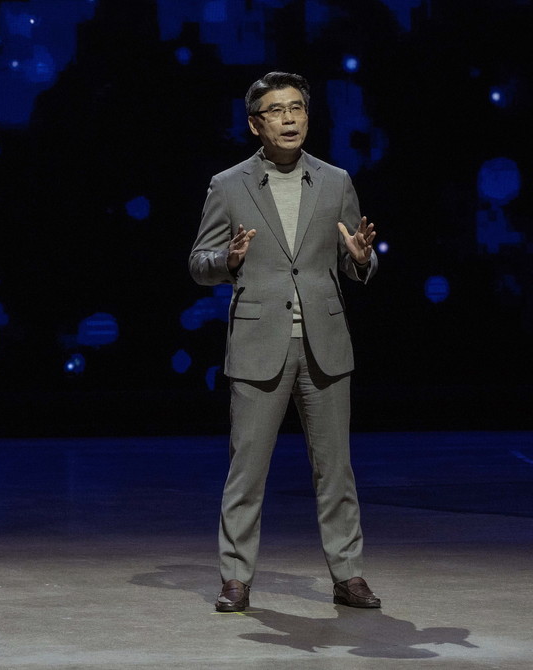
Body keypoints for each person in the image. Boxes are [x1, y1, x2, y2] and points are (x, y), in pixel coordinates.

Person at [189, 71, 380, 612]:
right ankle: (235, 578)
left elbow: (355, 255)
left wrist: (362, 259)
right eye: (276, 111)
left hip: (325, 342)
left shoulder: (336, 181)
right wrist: (227, 261)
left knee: (335, 470)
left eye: (297, 108)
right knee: (246, 471)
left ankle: (348, 575)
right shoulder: (229, 185)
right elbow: (199, 263)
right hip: (258, 344)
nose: (289, 118)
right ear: (256, 124)